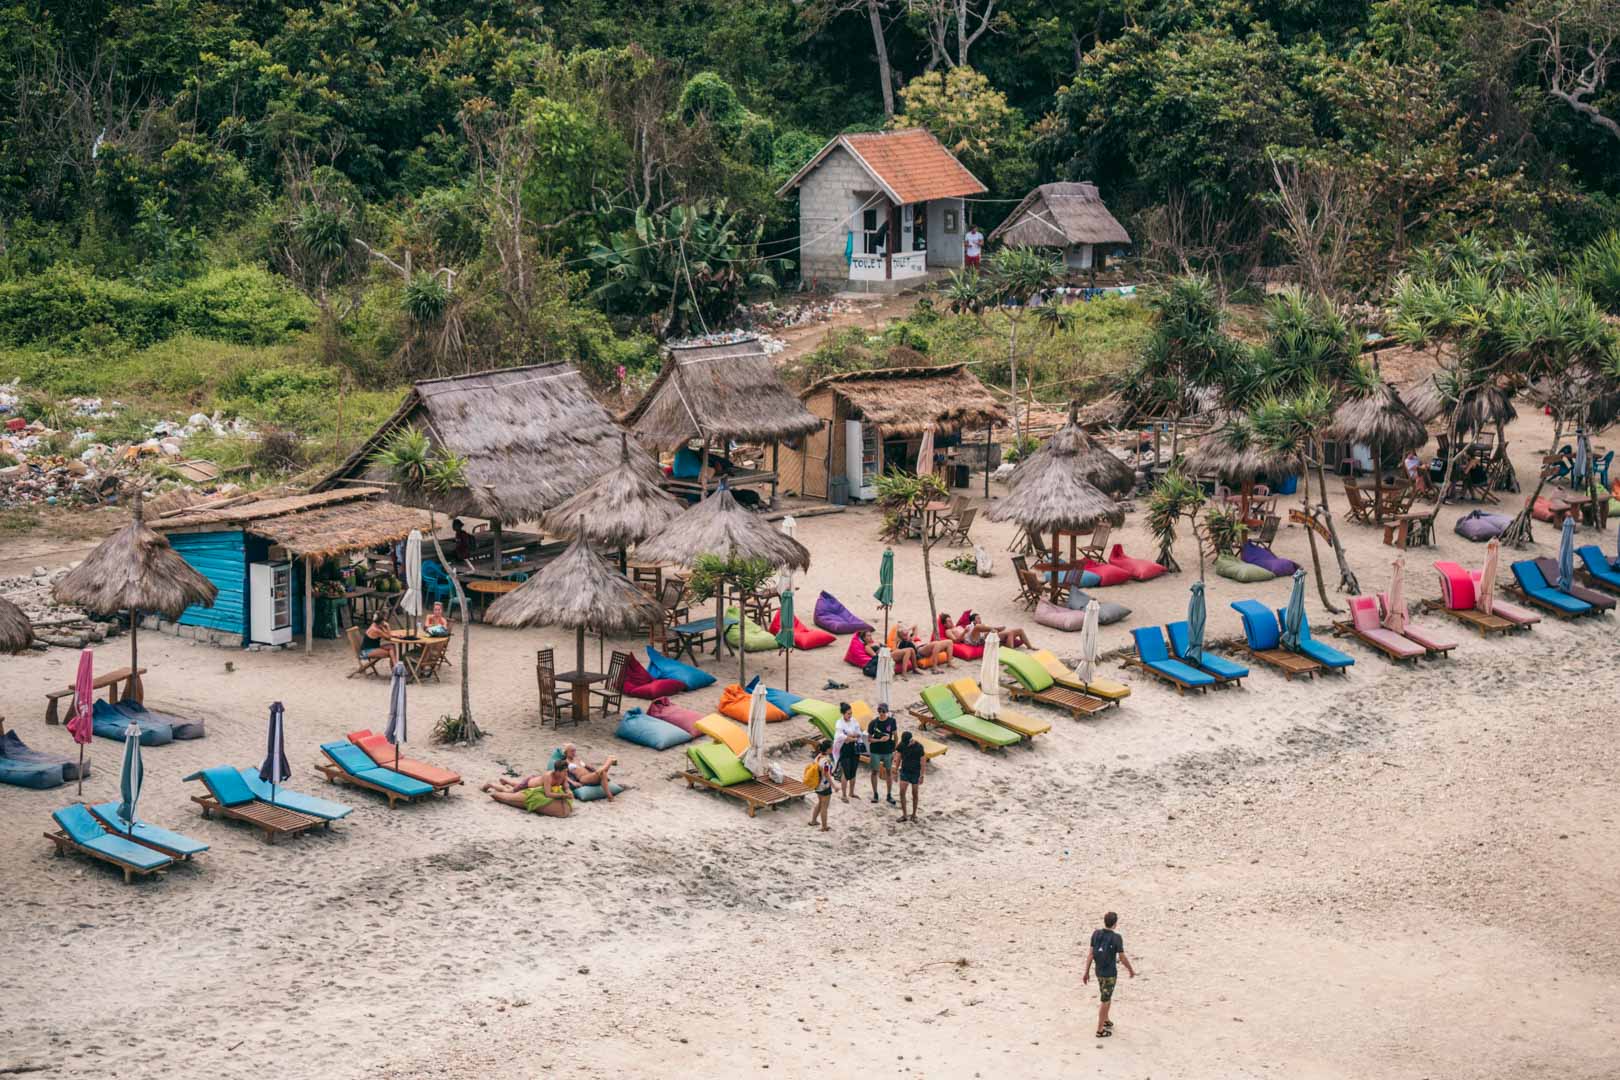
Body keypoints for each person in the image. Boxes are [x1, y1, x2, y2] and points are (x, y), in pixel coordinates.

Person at [1082, 911, 1136, 1039]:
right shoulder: (1116, 937)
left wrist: (1086, 972)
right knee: (1105, 1000)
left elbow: (1091, 954)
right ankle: (1100, 1030)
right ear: (1115, 924)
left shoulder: (1096, 934)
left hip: (1098, 972)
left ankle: (1105, 1019)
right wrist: (1130, 970)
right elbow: (1122, 957)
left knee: (1106, 995)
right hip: (1110, 974)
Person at [481, 770, 572, 817]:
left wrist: (568, 791)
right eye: (564, 771)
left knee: (517, 787)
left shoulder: (562, 776)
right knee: (510, 792)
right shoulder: (549, 776)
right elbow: (548, 793)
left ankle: (507, 782)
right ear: (558, 771)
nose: (566, 773)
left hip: (532, 783)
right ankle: (491, 784)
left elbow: (566, 786)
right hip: (528, 784)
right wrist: (563, 795)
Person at [867, 702, 898, 806]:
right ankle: (875, 794)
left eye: (883, 711)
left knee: (888, 772)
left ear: (887, 711)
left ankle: (889, 794)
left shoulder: (892, 721)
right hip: (875, 751)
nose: (881, 713)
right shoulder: (873, 723)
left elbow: (895, 736)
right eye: (880, 711)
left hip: (888, 751)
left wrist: (895, 750)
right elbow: (869, 739)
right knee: (874, 772)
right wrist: (880, 740)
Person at [832, 703, 864, 803]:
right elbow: (839, 736)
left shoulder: (854, 721)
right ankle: (844, 795)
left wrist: (850, 736)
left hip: (854, 748)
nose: (850, 715)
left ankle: (851, 792)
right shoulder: (839, 723)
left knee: (853, 771)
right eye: (848, 713)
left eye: (851, 713)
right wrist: (850, 737)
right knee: (846, 772)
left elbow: (859, 733)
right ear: (843, 713)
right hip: (844, 749)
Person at [896, 730, 926, 823]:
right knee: (902, 793)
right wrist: (895, 769)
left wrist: (922, 775)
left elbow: (923, 762)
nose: (905, 744)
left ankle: (914, 814)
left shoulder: (919, 747)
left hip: (915, 773)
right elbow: (898, 757)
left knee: (915, 794)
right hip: (905, 771)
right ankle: (904, 815)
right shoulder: (902, 744)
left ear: (911, 740)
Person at [808, 739, 834, 831]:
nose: (833, 748)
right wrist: (834, 785)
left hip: (817, 784)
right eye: (832, 747)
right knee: (824, 807)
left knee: (820, 803)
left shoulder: (818, 757)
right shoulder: (826, 760)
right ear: (828, 749)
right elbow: (826, 774)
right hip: (824, 785)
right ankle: (824, 826)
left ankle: (813, 821)